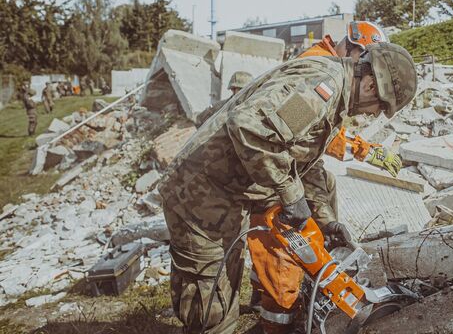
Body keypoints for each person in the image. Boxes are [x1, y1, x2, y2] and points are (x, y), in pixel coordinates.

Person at [158, 42, 417, 334]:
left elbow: (300, 157)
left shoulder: (331, 96)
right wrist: (290, 194)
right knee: (212, 311)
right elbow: (250, 127)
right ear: (371, 85)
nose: (372, 116)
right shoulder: (320, 88)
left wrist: (324, 220)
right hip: (200, 196)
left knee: (223, 288)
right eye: (380, 109)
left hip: (224, 194)